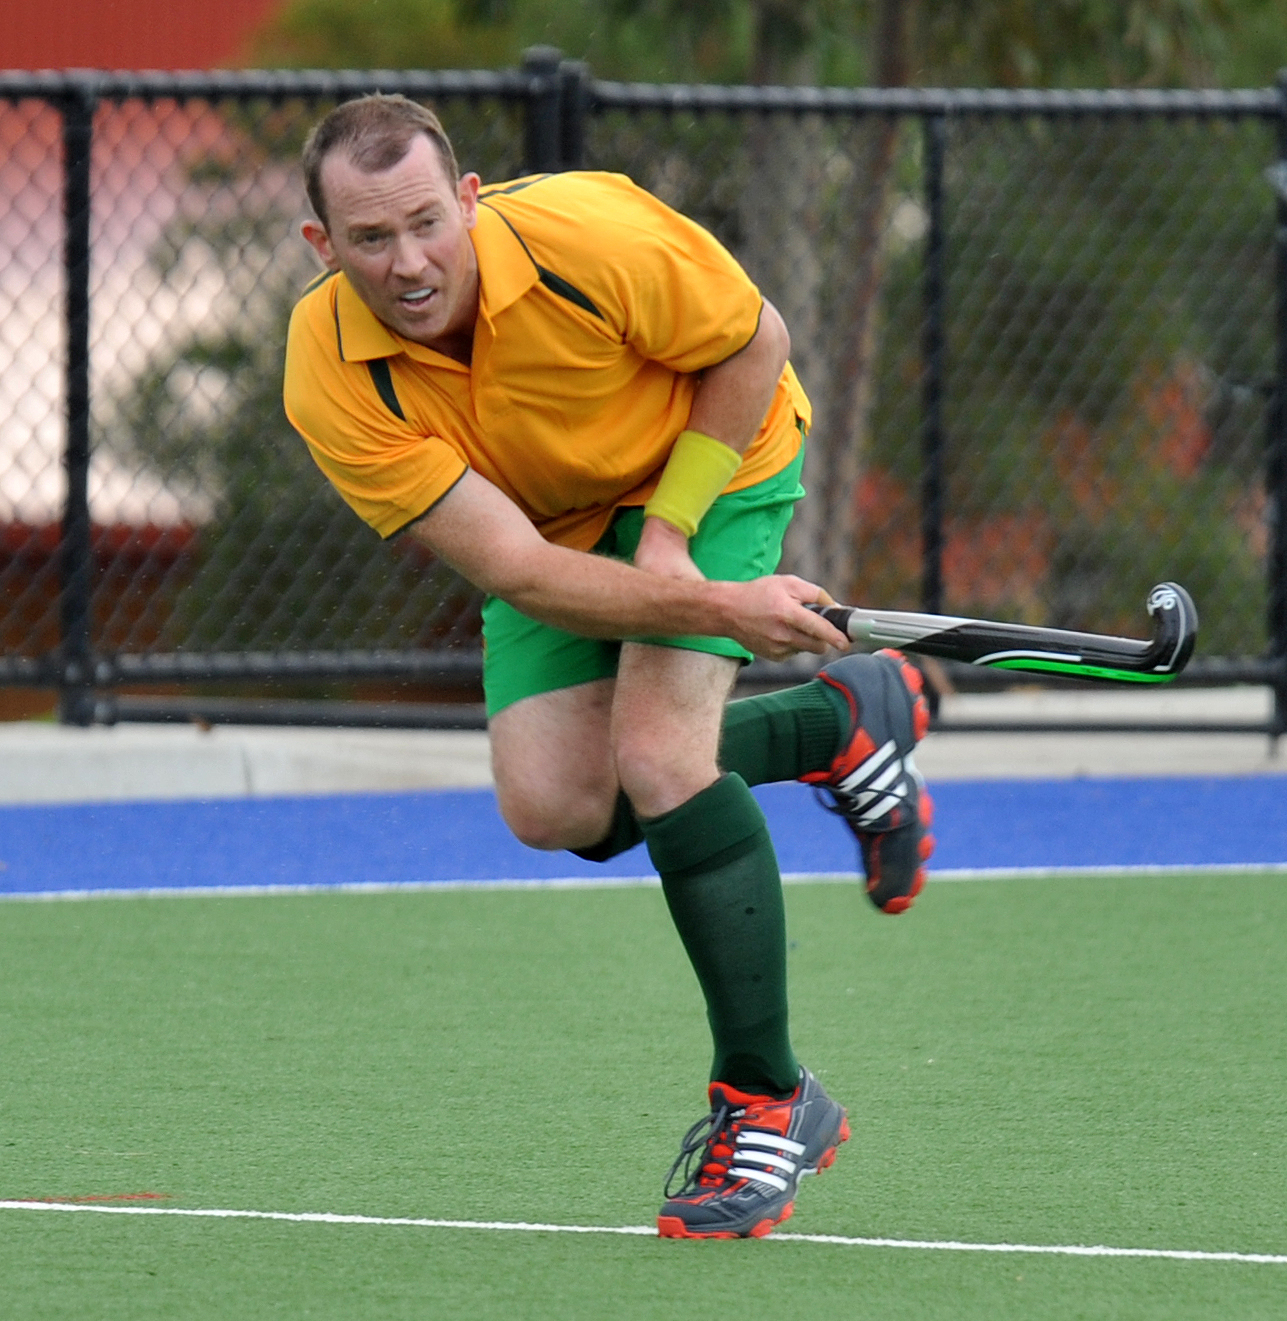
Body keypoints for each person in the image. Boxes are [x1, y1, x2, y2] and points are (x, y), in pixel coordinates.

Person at [282, 94, 935, 1240]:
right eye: (371, 239)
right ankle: (833, 721)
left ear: (468, 199)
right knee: (555, 805)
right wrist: (720, 608)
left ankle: (768, 1096)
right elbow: (519, 569)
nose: (410, 262)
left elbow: (755, 343)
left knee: (658, 755)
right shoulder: (330, 369)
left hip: (714, 461)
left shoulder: (590, 235)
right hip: (552, 533)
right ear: (321, 245)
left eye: (426, 223)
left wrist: (676, 535)